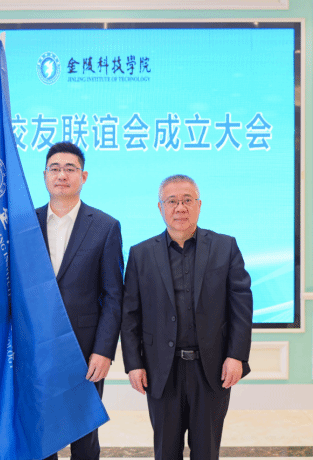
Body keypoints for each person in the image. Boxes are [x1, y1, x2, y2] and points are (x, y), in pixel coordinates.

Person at [121, 174, 253, 460]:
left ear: (199, 205)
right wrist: (134, 364)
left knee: (206, 451)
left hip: (211, 369)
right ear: (160, 208)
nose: (180, 207)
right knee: (166, 452)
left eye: (187, 200)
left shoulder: (225, 247)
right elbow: (130, 315)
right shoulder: (141, 254)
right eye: (172, 201)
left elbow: (241, 307)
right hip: (161, 370)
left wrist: (236, 356)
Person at [35, 142, 124, 460]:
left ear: (83, 176)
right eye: (55, 168)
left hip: (85, 351)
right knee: (41, 434)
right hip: (36, 350)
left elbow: (113, 295)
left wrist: (104, 351)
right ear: (45, 175)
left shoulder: (105, 226)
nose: (62, 175)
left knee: (84, 435)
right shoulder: (24, 225)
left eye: (70, 168)